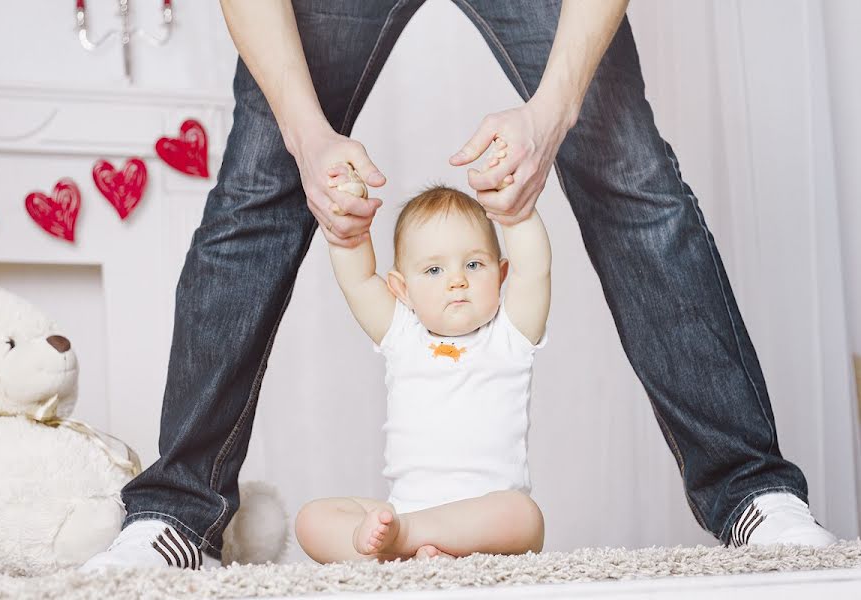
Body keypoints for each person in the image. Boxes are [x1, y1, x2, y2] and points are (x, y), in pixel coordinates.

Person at [81, 0, 836, 571]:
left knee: (633, 179)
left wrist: (552, 113)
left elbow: (537, 246)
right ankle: (179, 513)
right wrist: (305, 136)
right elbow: (354, 261)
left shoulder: (506, 309)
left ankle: (751, 493)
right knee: (257, 190)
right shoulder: (402, 317)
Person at [295, 168, 549, 563]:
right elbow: (359, 280)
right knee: (312, 519)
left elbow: (534, 270)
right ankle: (408, 545)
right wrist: (349, 231)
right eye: (434, 269)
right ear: (402, 290)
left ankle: (405, 544)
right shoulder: (403, 335)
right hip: (406, 509)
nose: (456, 281)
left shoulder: (510, 336)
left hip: (483, 521)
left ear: (501, 275)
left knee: (524, 516)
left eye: (474, 265)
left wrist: (514, 209)